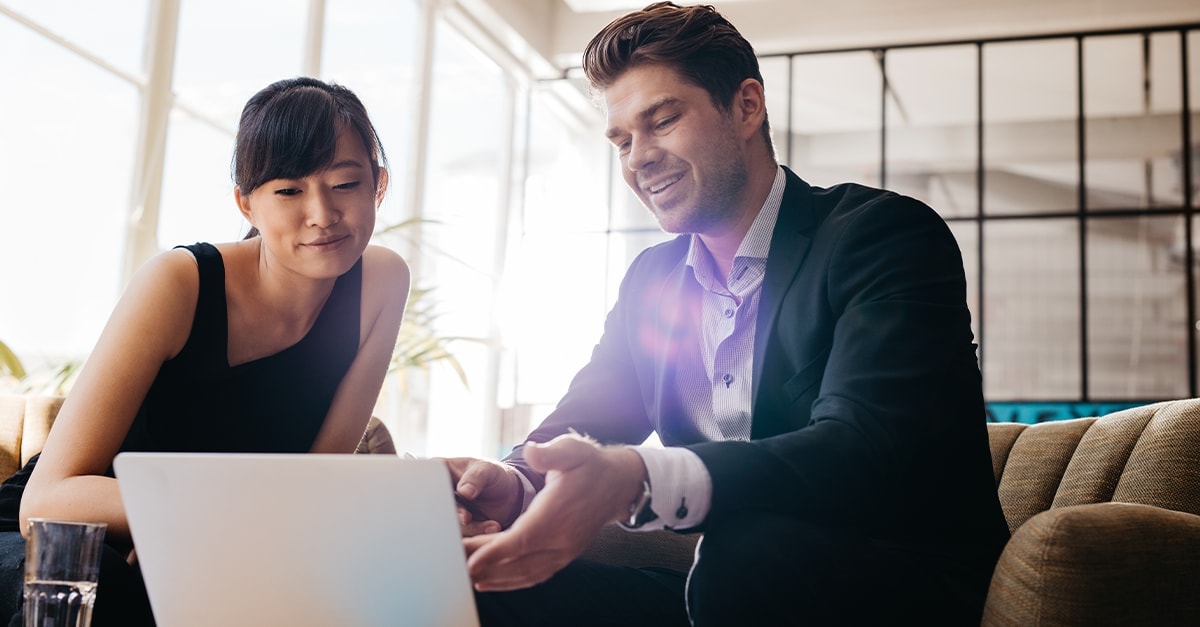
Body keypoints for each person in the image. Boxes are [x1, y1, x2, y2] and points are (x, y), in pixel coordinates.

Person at [446, 3, 1010, 625]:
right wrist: (515, 478)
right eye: (622, 140)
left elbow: (864, 449)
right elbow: (592, 415)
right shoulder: (651, 280)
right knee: (474, 582)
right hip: (730, 588)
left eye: (661, 121)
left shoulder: (882, 237)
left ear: (746, 106)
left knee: (746, 555)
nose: (638, 158)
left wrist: (639, 478)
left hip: (899, 583)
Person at [0, 76, 410, 626]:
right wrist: (184, 523)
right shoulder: (179, 282)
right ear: (248, 204)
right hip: (57, 549)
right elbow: (48, 502)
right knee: (121, 595)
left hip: (210, 538)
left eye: (345, 184)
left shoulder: (382, 282)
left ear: (377, 185)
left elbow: (316, 484)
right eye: (289, 191)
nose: (322, 213)